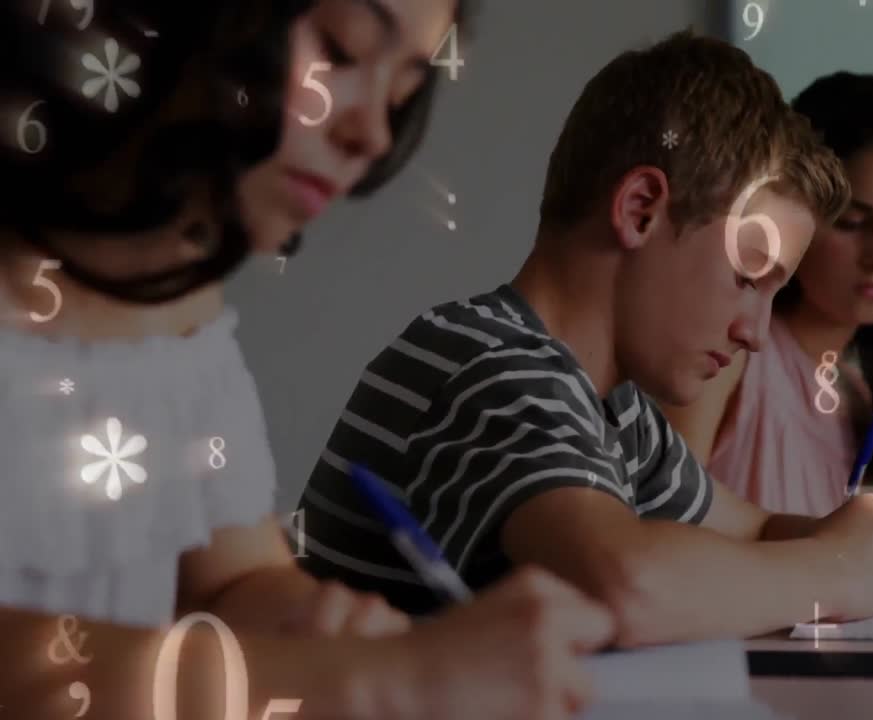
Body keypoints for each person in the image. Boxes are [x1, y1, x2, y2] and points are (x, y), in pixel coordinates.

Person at [298, 32, 873, 649]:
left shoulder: (618, 410)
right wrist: (840, 571)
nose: (755, 332)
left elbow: (752, 529)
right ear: (640, 210)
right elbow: (626, 584)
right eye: (747, 276)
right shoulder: (492, 366)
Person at [0, 2, 611, 719]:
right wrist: (383, 680)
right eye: (342, 49)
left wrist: (319, 622)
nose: (372, 133)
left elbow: (230, 580)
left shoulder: (182, 305)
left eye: (401, 91)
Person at [663, 72, 873, 556]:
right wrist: (866, 545)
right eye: (852, 223)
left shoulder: (860, 397)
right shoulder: (726, 353)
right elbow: (658, 536)